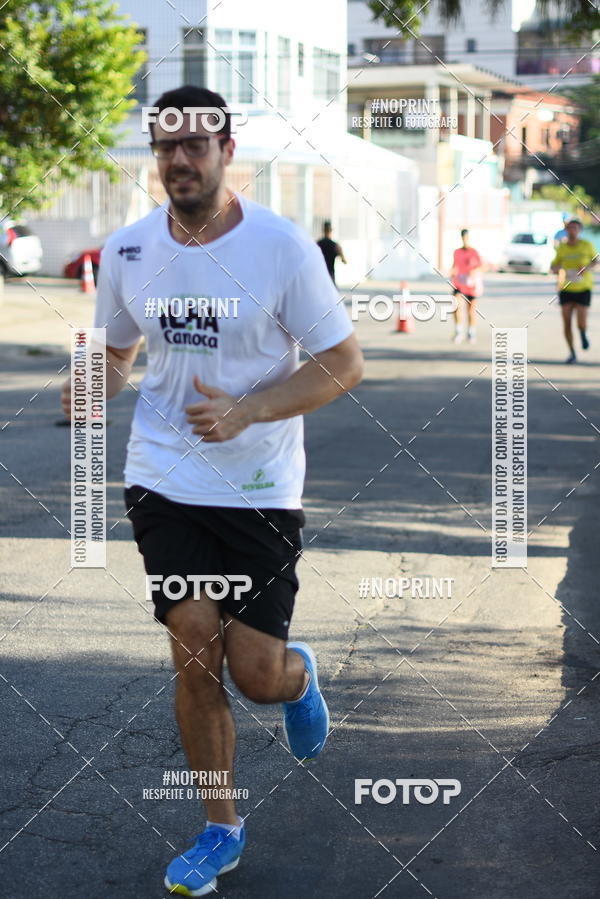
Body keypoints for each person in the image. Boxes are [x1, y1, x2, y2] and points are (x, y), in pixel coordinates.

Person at [61, 85, 363, 896]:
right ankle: (220, 829)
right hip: (163, 478)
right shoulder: (127, 250)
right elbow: (119, 353)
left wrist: (250, 408)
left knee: (255, 674)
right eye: (165, 146)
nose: (179, 159)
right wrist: (95, 379)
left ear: (228, 150)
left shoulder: (283, 248)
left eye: (195, 144)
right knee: (194, 647)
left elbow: (343, 361)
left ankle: (295, 674)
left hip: (261, 485)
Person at [550, 217, 597, 364]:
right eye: (569, 228)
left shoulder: (587, 245)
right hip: (566, 288)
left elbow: (595, 261)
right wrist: (556, 269)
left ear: (579, 231)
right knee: (567, 322)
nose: (572, 231)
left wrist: (586, 268)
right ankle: (572, 352)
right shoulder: (562, 247)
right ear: (566, 230)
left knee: (580, 322)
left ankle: (583, 333)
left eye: (575, 228)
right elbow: (554, 265)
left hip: (583, 288)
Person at [449, 228, 483, 343]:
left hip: (471, 285)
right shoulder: (457, 252)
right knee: (456, 305)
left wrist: (474, 271)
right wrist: (452, 272)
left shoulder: (474, 252)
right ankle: (458, 331)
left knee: (470, 310)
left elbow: (482, 266)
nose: (464, 239)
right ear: (461, 238)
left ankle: (471, 333)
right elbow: (454, 266)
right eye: (463, 237)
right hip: (459, 283)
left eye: (466, 237)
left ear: (468, 238)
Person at [316, 220, 347, 285]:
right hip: (330, 276)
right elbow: (344, 261)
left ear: (323, 230)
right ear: (331, 231)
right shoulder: (335, 245)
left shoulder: (317, 244)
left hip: (319, 276)